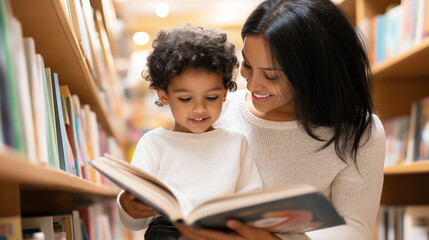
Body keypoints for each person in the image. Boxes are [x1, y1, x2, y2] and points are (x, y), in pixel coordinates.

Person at [175, 0, 386, 239]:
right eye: (247, 64)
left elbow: (354, 230)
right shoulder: (213, 111)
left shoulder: (359, 132)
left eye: (271, 76)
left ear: (314, 74)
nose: (251, 84)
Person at [116, 26, 263, 240]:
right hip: (169, 231)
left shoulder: (236, 142)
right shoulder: (153, 143)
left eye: (211, 98)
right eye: (185, 99)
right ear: (164, 95)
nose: (199, 109)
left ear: (224, 94)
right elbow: (135, 222)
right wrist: (129, 206)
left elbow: (253, 199)